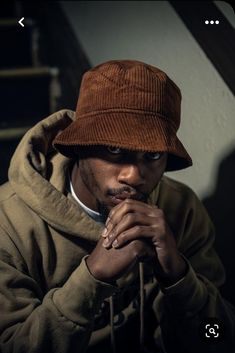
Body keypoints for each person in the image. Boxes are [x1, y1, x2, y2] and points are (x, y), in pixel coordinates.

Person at [0, 60, 234, 353]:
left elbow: (218, 338)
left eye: (152, 154)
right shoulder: (8, 221)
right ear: (80, 146)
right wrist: (93, 277)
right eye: (113, 150)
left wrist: (179, 278)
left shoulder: (182, 208)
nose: (134, 176)